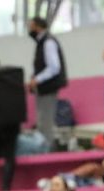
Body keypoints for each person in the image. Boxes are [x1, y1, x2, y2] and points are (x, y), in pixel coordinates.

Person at [27, 17, 67, 149]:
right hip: (43, 89)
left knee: (46, 123)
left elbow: (54, 67)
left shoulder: (48, 42)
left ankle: (48, 151)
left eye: (31, 26)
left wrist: (37, 79)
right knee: (42, 122)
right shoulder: (41, 42)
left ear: (38, 27)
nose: (29, 29)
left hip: (48, 88)